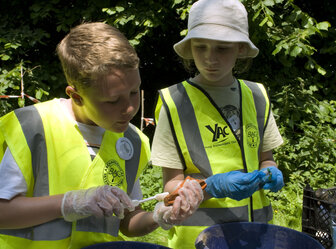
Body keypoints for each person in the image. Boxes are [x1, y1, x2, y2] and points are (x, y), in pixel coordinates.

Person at [0, 22, 204, 249]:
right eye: (112, 101)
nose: (129, 108)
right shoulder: (31, 128)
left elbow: (128, 221)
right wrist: (69, 203)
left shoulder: (133, 142)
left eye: (134, 92)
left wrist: (158, 216)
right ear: (76, 96)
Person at [151, 0, 285, 248]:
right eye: (200, 47)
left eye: (222, 48)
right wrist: (209, 187)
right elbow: (170, 186)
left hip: (255, 235)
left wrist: (271, 170)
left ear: (241, 49)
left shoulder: (257, 96)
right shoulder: (174, 102)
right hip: (198, 238)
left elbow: (266, 157)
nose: (210, 58)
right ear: (190, 48)